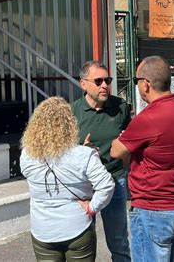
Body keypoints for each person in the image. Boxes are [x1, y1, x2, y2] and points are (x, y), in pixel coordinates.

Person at [110, 55, 174, 262]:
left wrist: (122, 137)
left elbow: (116, 151)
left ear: (146, 84)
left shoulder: (149, 117)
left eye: (136, 80)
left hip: (154, 211)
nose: (137, 85)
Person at [20, 96, 115, 262]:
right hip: (77, 226)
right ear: (69, 124)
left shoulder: (27, 155)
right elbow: (106, 185)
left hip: (43, 229)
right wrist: (93, 207)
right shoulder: (83, 155)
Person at [71, 61, 132, 262]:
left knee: (119, 241)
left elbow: (131, 141)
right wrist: (81, 152)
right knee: (83, 242)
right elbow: (63, 153)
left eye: (108, 80)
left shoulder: (120, 107)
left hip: (114, 180)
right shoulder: (72, 113)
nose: (104, 85)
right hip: (84, 186)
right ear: (83, 84)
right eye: (98, 81)